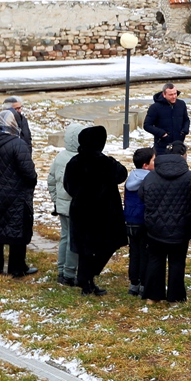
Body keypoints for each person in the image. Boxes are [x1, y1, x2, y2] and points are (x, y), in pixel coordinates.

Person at [64, 126, 129, 296]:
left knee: (86, 250)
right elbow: (122, 174)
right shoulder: (105, 163)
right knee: (107, 245)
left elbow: (68, 186)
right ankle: (87, 279)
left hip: (81, 212)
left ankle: (86, 280)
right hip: (104, 214)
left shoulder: (74, 162)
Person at [0, 110, 38, 278]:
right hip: (16, 195)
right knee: (17, 230)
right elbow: (29, 173)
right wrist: (32, 182)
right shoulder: (18, 144)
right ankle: (17, 268)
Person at [141, 142, 191, 304]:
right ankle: (175, 297)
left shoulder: (151, 176)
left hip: (155, 226)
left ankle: (153, 296)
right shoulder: (190, 177)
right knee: (177, 261)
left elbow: (142, 195)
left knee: (155, 259)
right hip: (181, 226)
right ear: (183, 156)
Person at [49, 124, 83, 287]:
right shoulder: (80, 159)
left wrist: (56, 200)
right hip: (75, 207)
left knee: (65, 236)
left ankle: (61, 270)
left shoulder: (60, 157)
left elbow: (51, 180)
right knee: (73, 239)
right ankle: (69, 273)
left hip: (62, 205)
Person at [123, 147, 154, 296]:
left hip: (130, 220)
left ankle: (133, 283)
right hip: (143, 221)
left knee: (134, 252)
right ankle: (143, 283)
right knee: (145, 253)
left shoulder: (131, 178)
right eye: (154, 160)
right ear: (145, 165)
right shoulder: (149, 180)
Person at [144, 82, 191, 153]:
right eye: (171, 95)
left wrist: (184, 131)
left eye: (175, 94)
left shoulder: (181, 104)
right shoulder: (155, 107)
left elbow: (186, 120)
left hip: (178, 145)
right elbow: (147, 125)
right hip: (162, 147)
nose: (174, 96)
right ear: (164, 95)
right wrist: (162, 133)